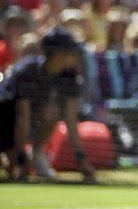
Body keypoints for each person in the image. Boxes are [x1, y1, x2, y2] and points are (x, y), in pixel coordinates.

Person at [1, 27, 96, 182]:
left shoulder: (69, 75)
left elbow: (71, 120)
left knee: (53, 110)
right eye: (71, 51)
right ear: (58, 54)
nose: (76, 56)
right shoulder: (28, 71)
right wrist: (19, 158)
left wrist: (82, 160)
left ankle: (36, 153)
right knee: (15, 171)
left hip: (28, 121)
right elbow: (21, 120)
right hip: (5, 120)